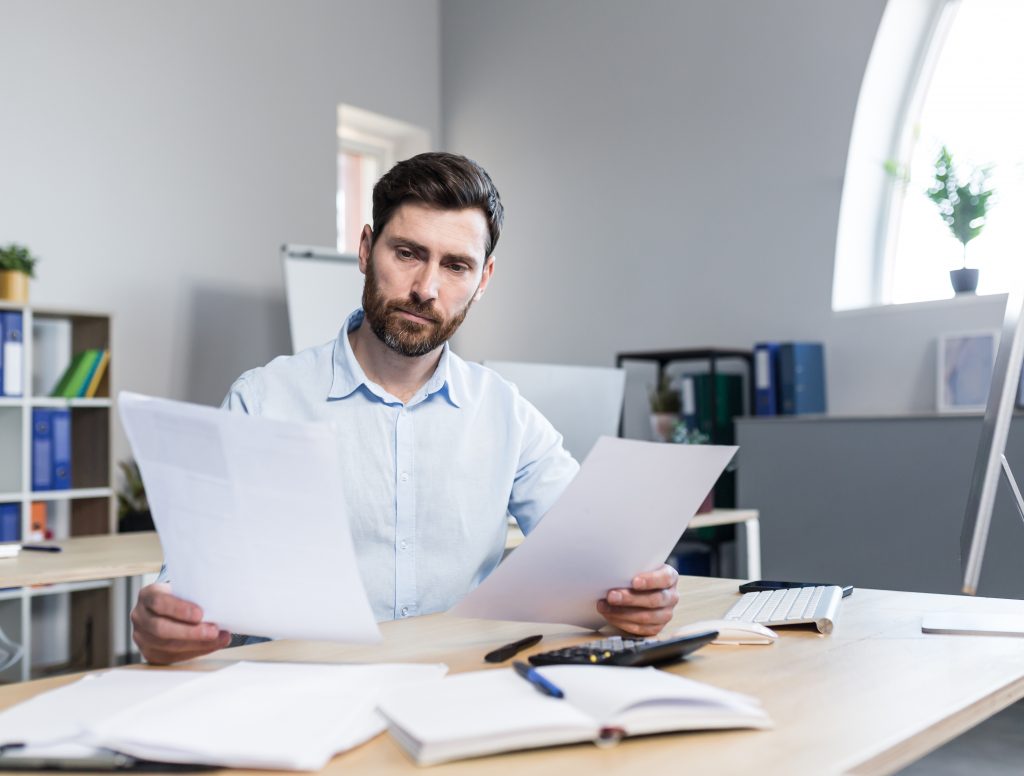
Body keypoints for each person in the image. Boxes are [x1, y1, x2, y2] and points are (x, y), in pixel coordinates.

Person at [131, 152, 680, 665]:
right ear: (367, 250)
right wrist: (167, 622)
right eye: (408, 253)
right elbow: (189, 589)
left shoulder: (506, 415)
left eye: (456, 266)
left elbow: (600, 560)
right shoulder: (263, 400)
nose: (426, 288)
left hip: (452, 692)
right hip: (298, 699)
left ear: (482, 280)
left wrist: (639, 595)